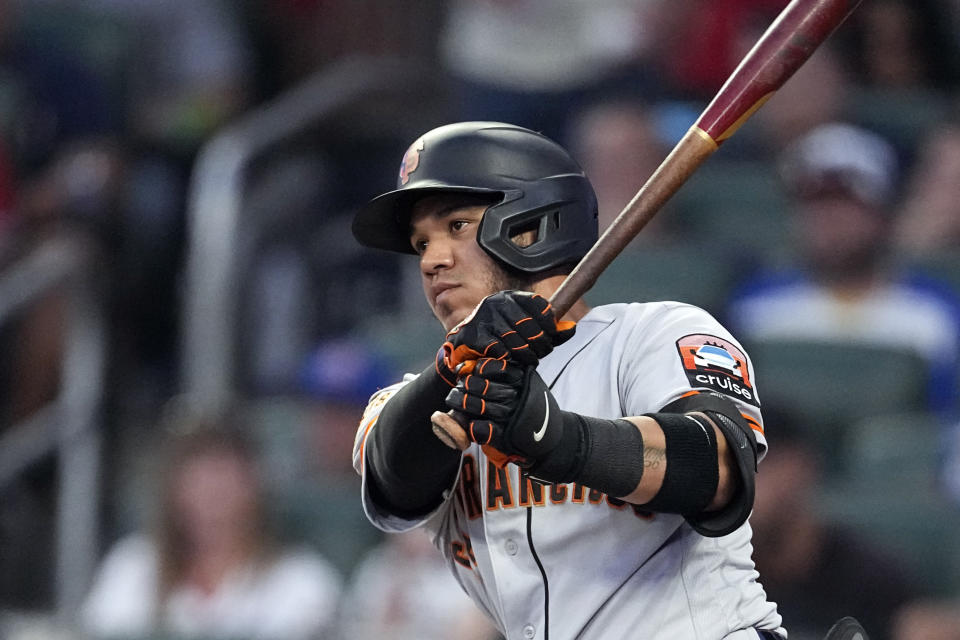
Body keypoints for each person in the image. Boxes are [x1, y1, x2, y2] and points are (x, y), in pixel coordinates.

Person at [350, 122, 784, 639]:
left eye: (458, 226)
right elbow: (392, 486)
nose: (431, 260)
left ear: (531, 225)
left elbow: (718, 470)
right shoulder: (411, 400)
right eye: (421, 242)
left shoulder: (652, 333)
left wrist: (559, 439)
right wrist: (453, 367)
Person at [726, 122, 960, 415]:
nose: (830, 221)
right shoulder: (754, 306)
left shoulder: (935, 311)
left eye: (846, 202)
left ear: (883, 211)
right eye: (815, 204)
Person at [82, 417, 342, 640]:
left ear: (254, 487)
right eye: (198, 478)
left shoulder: (303, 582)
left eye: (223, 477)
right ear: (173, 490)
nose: (212, 495)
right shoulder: (132, 569)